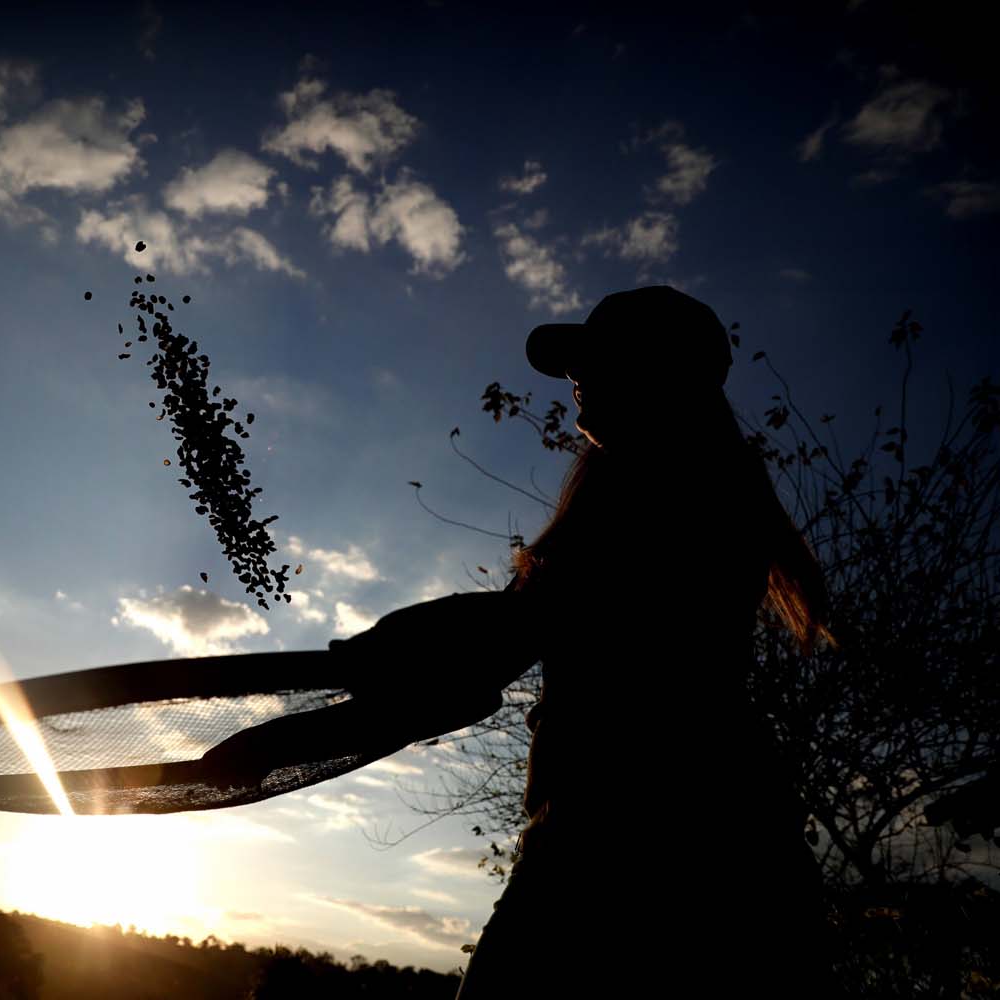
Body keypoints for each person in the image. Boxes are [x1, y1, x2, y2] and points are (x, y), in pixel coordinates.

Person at [202, 286, 834, 993]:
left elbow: (499, 641)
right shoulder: (702, 485)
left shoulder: (660, 489)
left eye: (596, 361)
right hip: (732, 847)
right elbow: (492, 652)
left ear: (657, 376)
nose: (575, 378)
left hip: (631, 849)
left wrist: (288, 738)